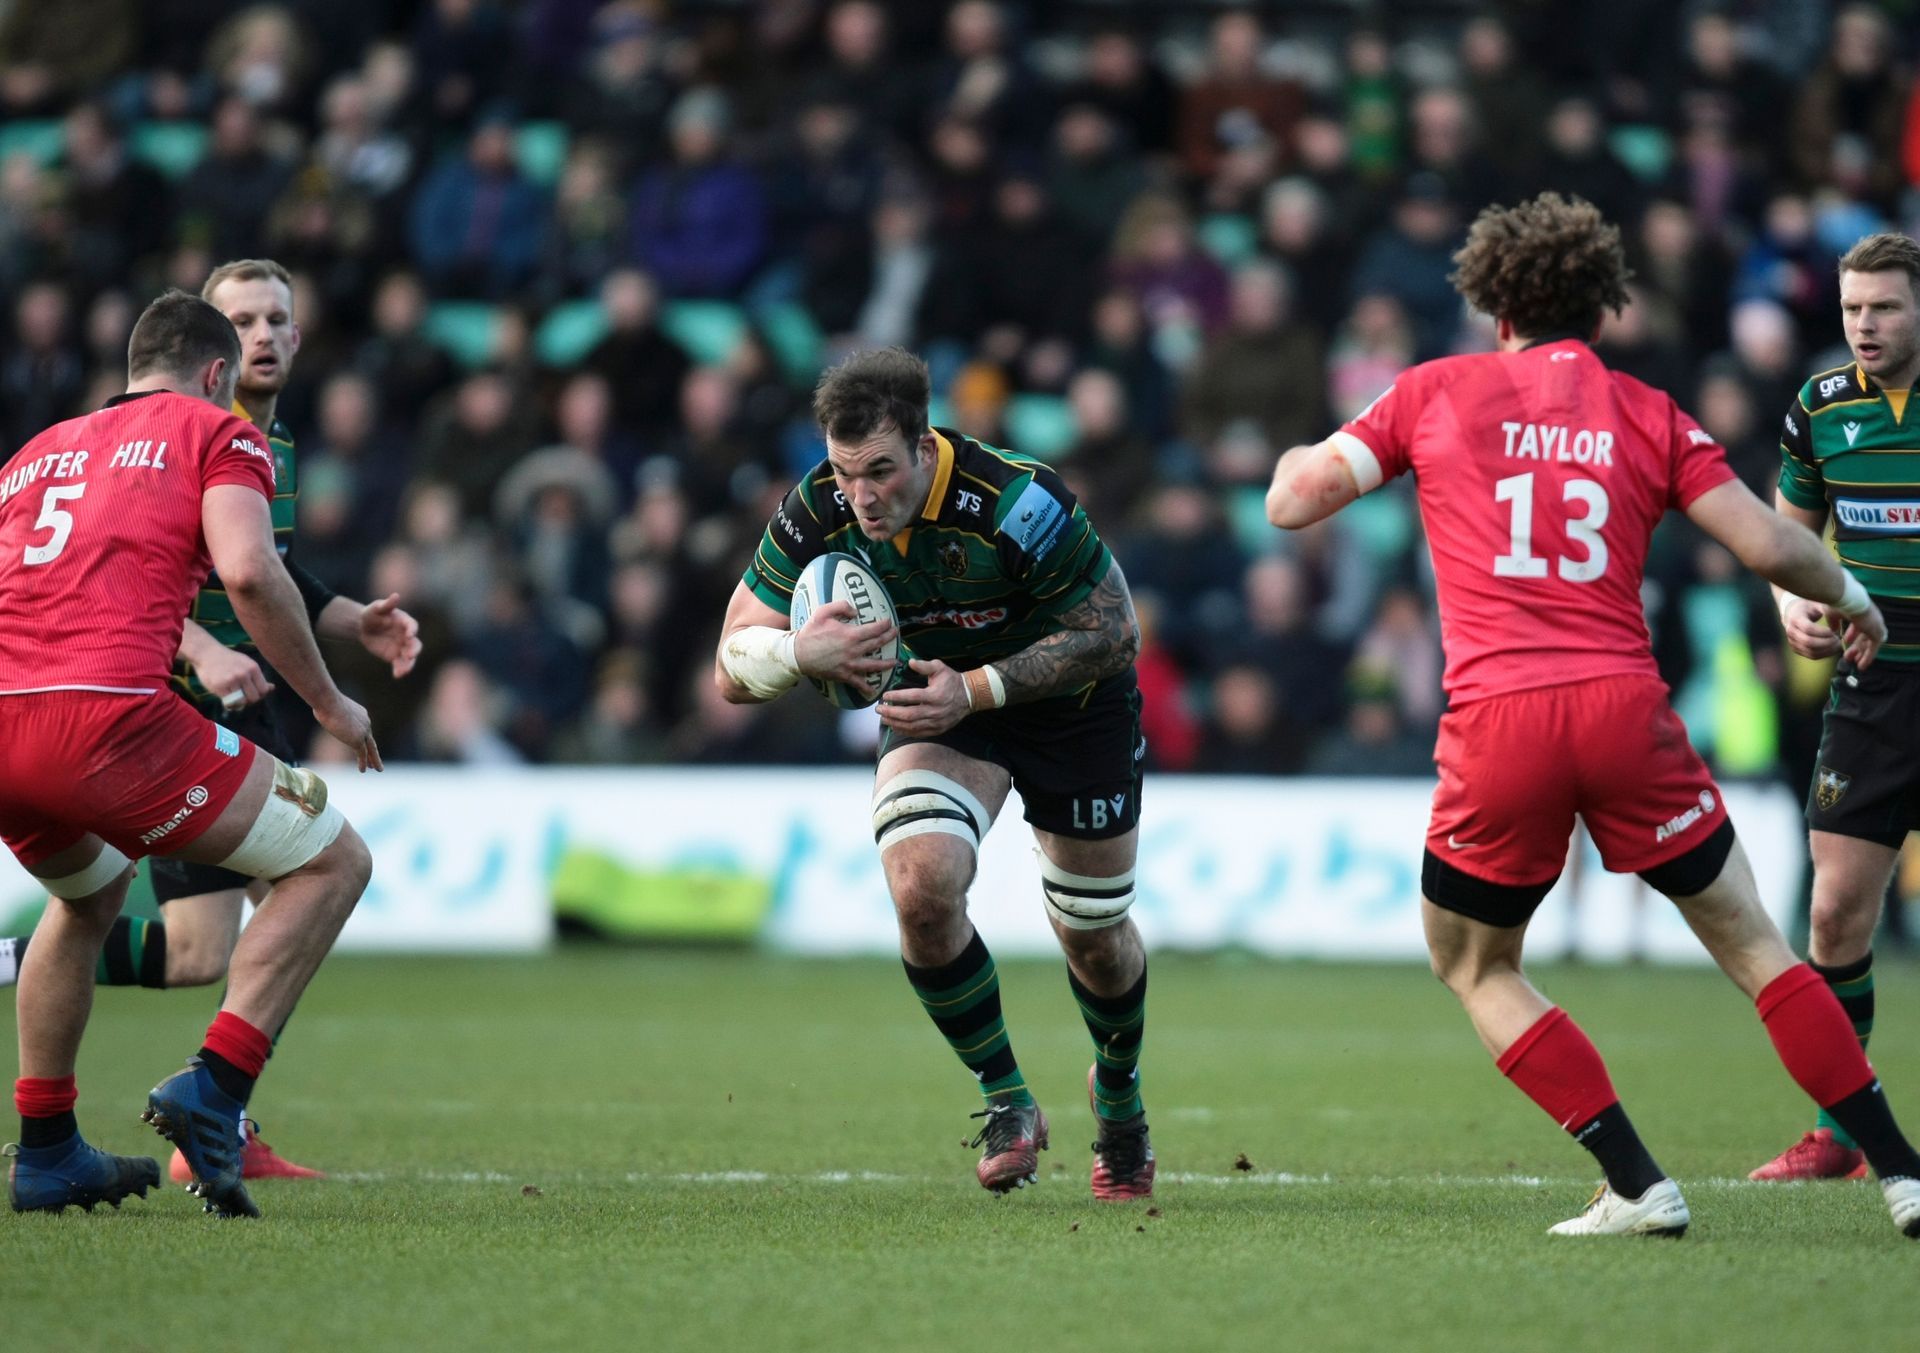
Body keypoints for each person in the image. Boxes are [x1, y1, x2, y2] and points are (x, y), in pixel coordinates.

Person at [1264, 193, 1920, 1239]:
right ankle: (1903, 1172)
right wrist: (1853, 597)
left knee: (1474, 963)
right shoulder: (1647, 410)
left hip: (1501, 722)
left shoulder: (1432, 392)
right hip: (1627, 712)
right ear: (1604, 309)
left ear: (1494, 306)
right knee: (1758, 947)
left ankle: (1635, 1182)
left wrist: (1324, 444)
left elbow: (1291, 501)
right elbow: (1772, 546)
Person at [0, 258, 421, 1184]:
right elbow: (247, 570)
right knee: (331, 862)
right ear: (216, 370)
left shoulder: (39, 450)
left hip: (8, 722)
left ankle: (47, 1149)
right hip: (120, 719)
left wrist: (345, 619)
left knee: (91, 897)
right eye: (247, 325)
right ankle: (216, 1094)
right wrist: (329, 700)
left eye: (281, 318)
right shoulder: (219, 433)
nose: (266, 337)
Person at [713, 348, 1154, 1201]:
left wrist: (979, 688)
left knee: (1093, 933)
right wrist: (796, 651)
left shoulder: (1016, 500)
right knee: (920, 884)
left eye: (881, 470)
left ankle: (1120, 1099)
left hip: (1073, 704)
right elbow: (728, 667)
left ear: (924, 444)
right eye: (847, 475)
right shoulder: (817, 509)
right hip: (938, 710)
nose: (863, 496)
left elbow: (1116, 632)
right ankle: (1008, 1101)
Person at [1754, 232, 1920, 1182]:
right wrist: (1795, 610)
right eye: (1855, 308)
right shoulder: (1820, 407)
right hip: (1873, 685)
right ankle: (1839, 1134)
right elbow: (1787, 540)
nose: (1865, 324)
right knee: (1834, 915)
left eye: (1885, 307)